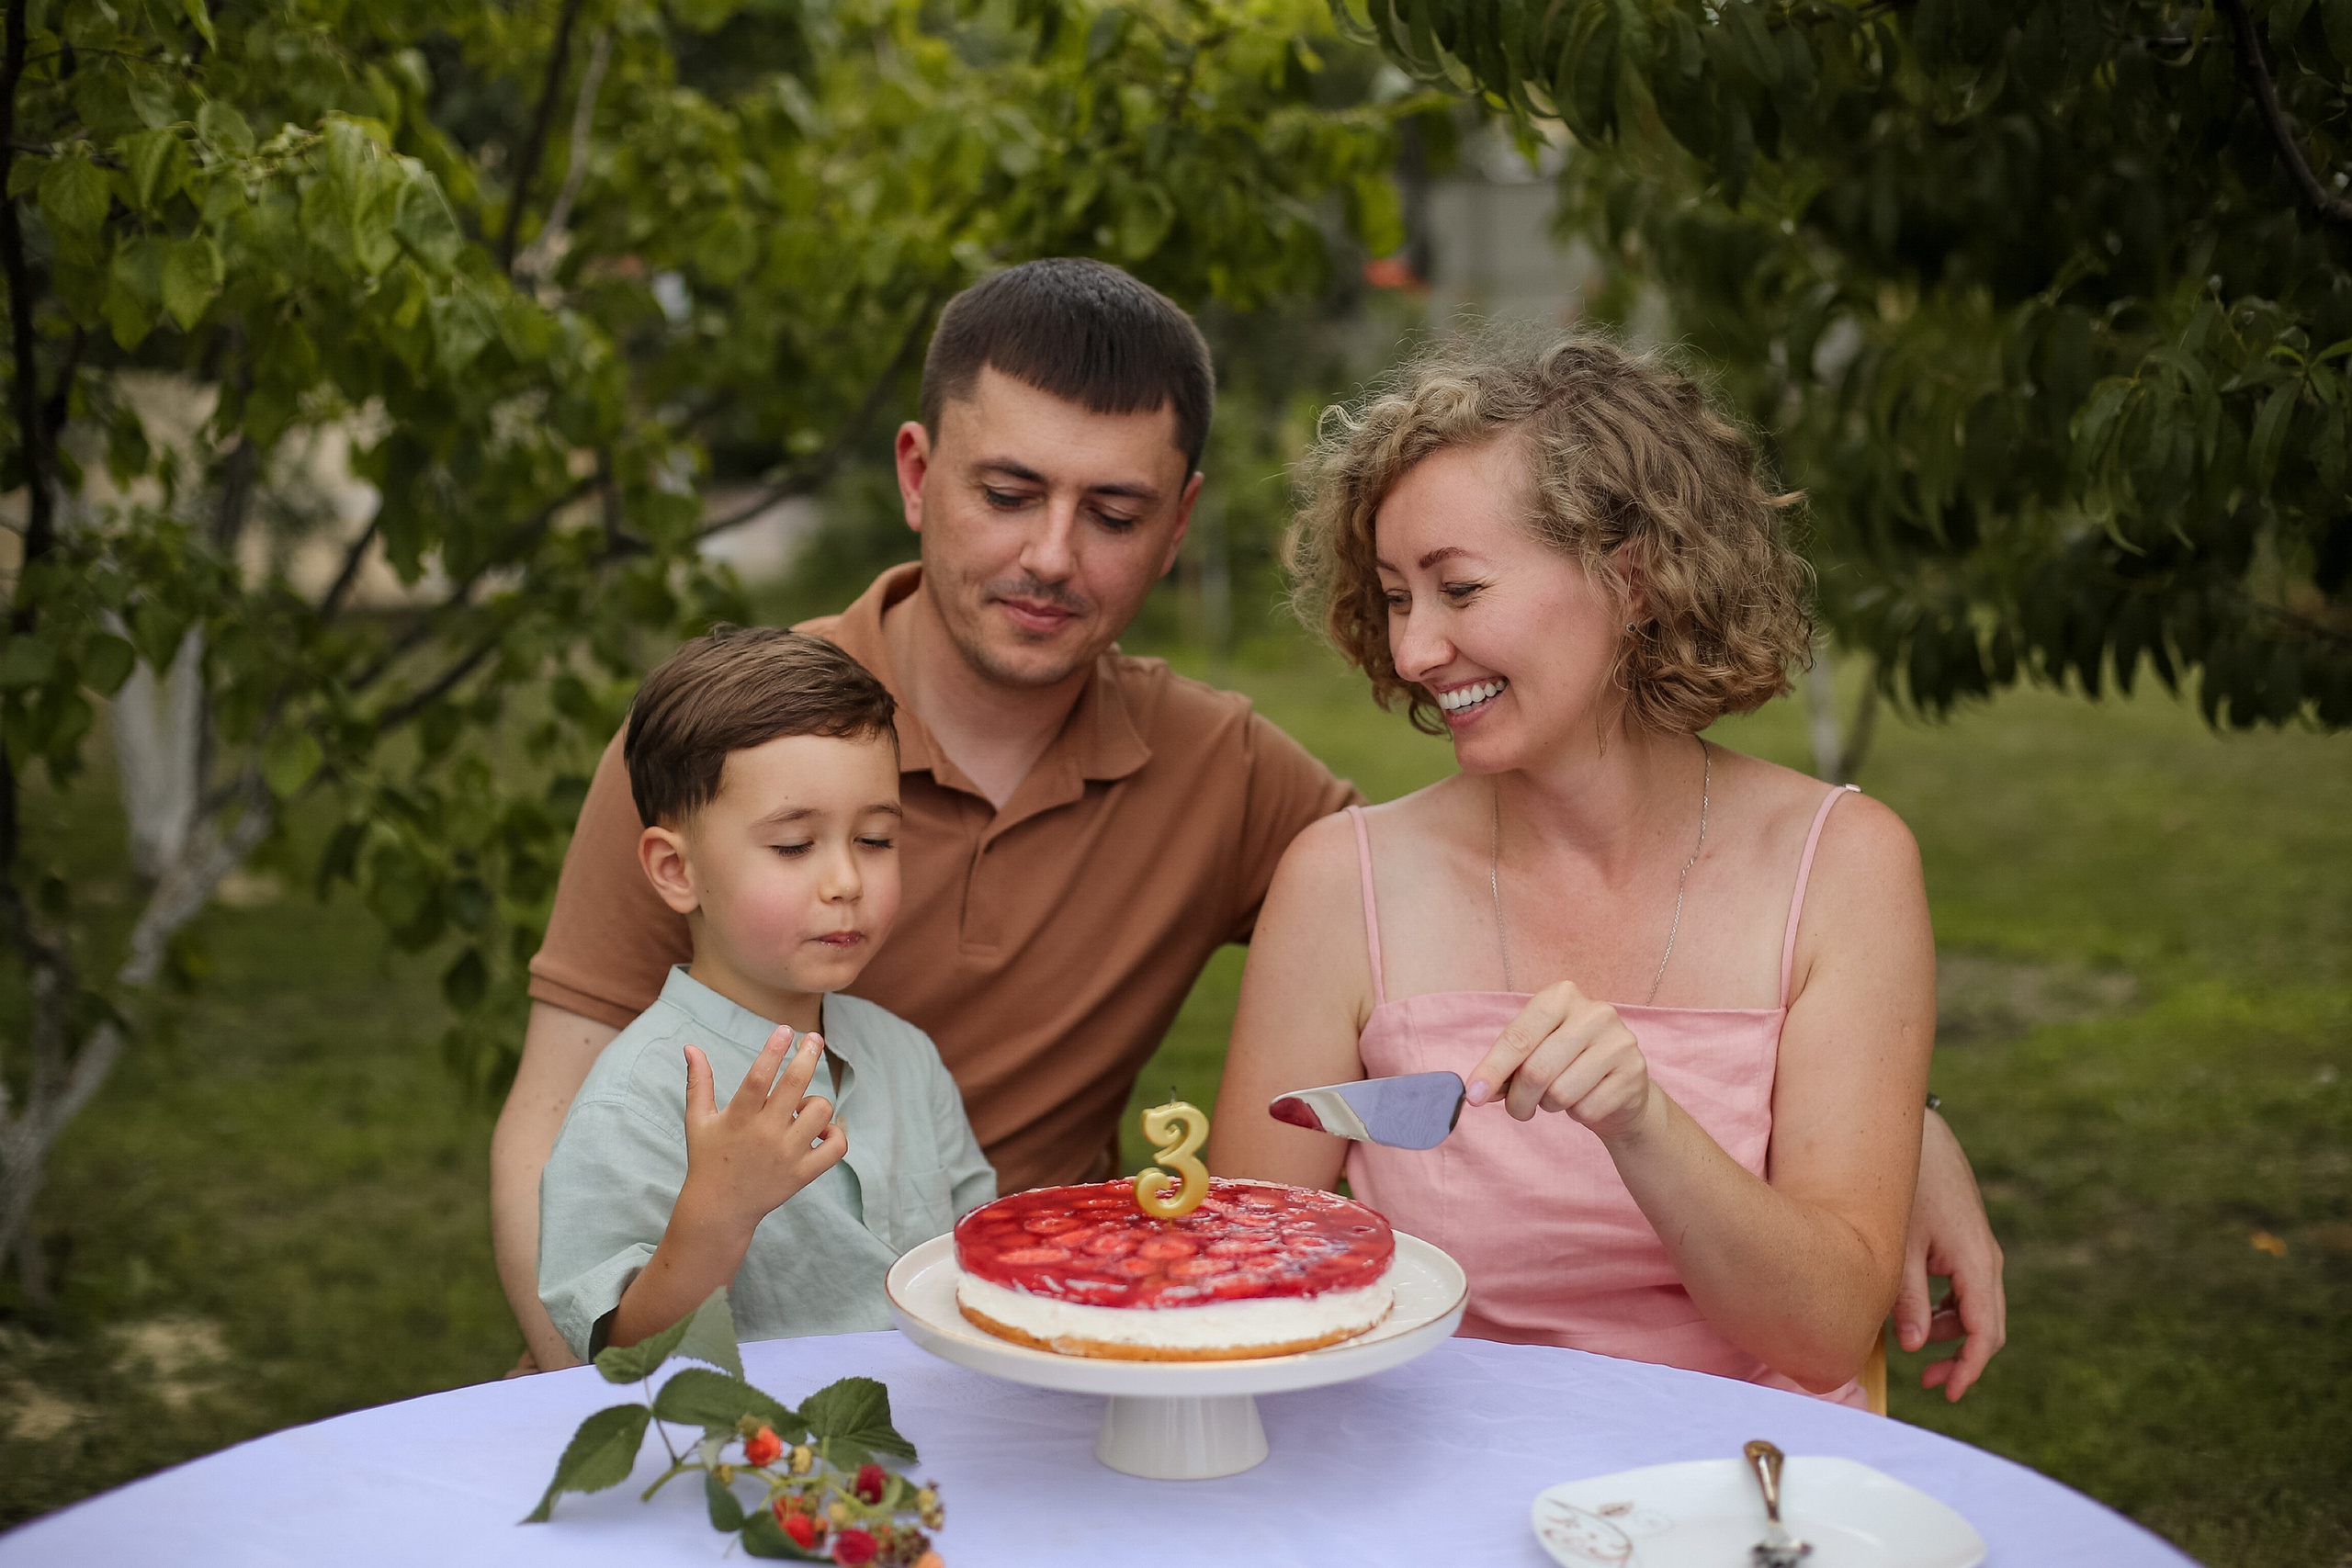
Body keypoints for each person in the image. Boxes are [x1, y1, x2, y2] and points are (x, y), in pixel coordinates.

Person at [492, 259, 2004, 1394]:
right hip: (742, 1349)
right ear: (916, 475)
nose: (1048, 554)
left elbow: (1495, 929)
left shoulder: (1226, 778)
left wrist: (1883, 1117)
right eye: (1008, 491)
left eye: (1113, 510)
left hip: (1037, 1357)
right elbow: (555, 1128)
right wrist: (598, 1393)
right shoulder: (720, 751)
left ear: (1178, 518)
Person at [1209, 335, 1947, 1407]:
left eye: (1457, 588)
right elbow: (1249, 1284)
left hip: (1741, 1493)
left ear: (1633, 576)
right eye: (1397, 597)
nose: (1414, 652)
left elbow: (1826, 1330)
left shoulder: (1843, 867)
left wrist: (1643, 1126)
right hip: (1432, 1478)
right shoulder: (1339, 882)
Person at [537, 627, 994, 1356]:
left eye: (875, 839)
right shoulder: (638, 1098)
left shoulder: (907, 1058)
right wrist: (714, 1216)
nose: (846, 880)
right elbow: (624, 1361)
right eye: (793, 845)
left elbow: (977, 1261)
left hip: (935, 1443)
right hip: (760, 1459)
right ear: (676, 870)